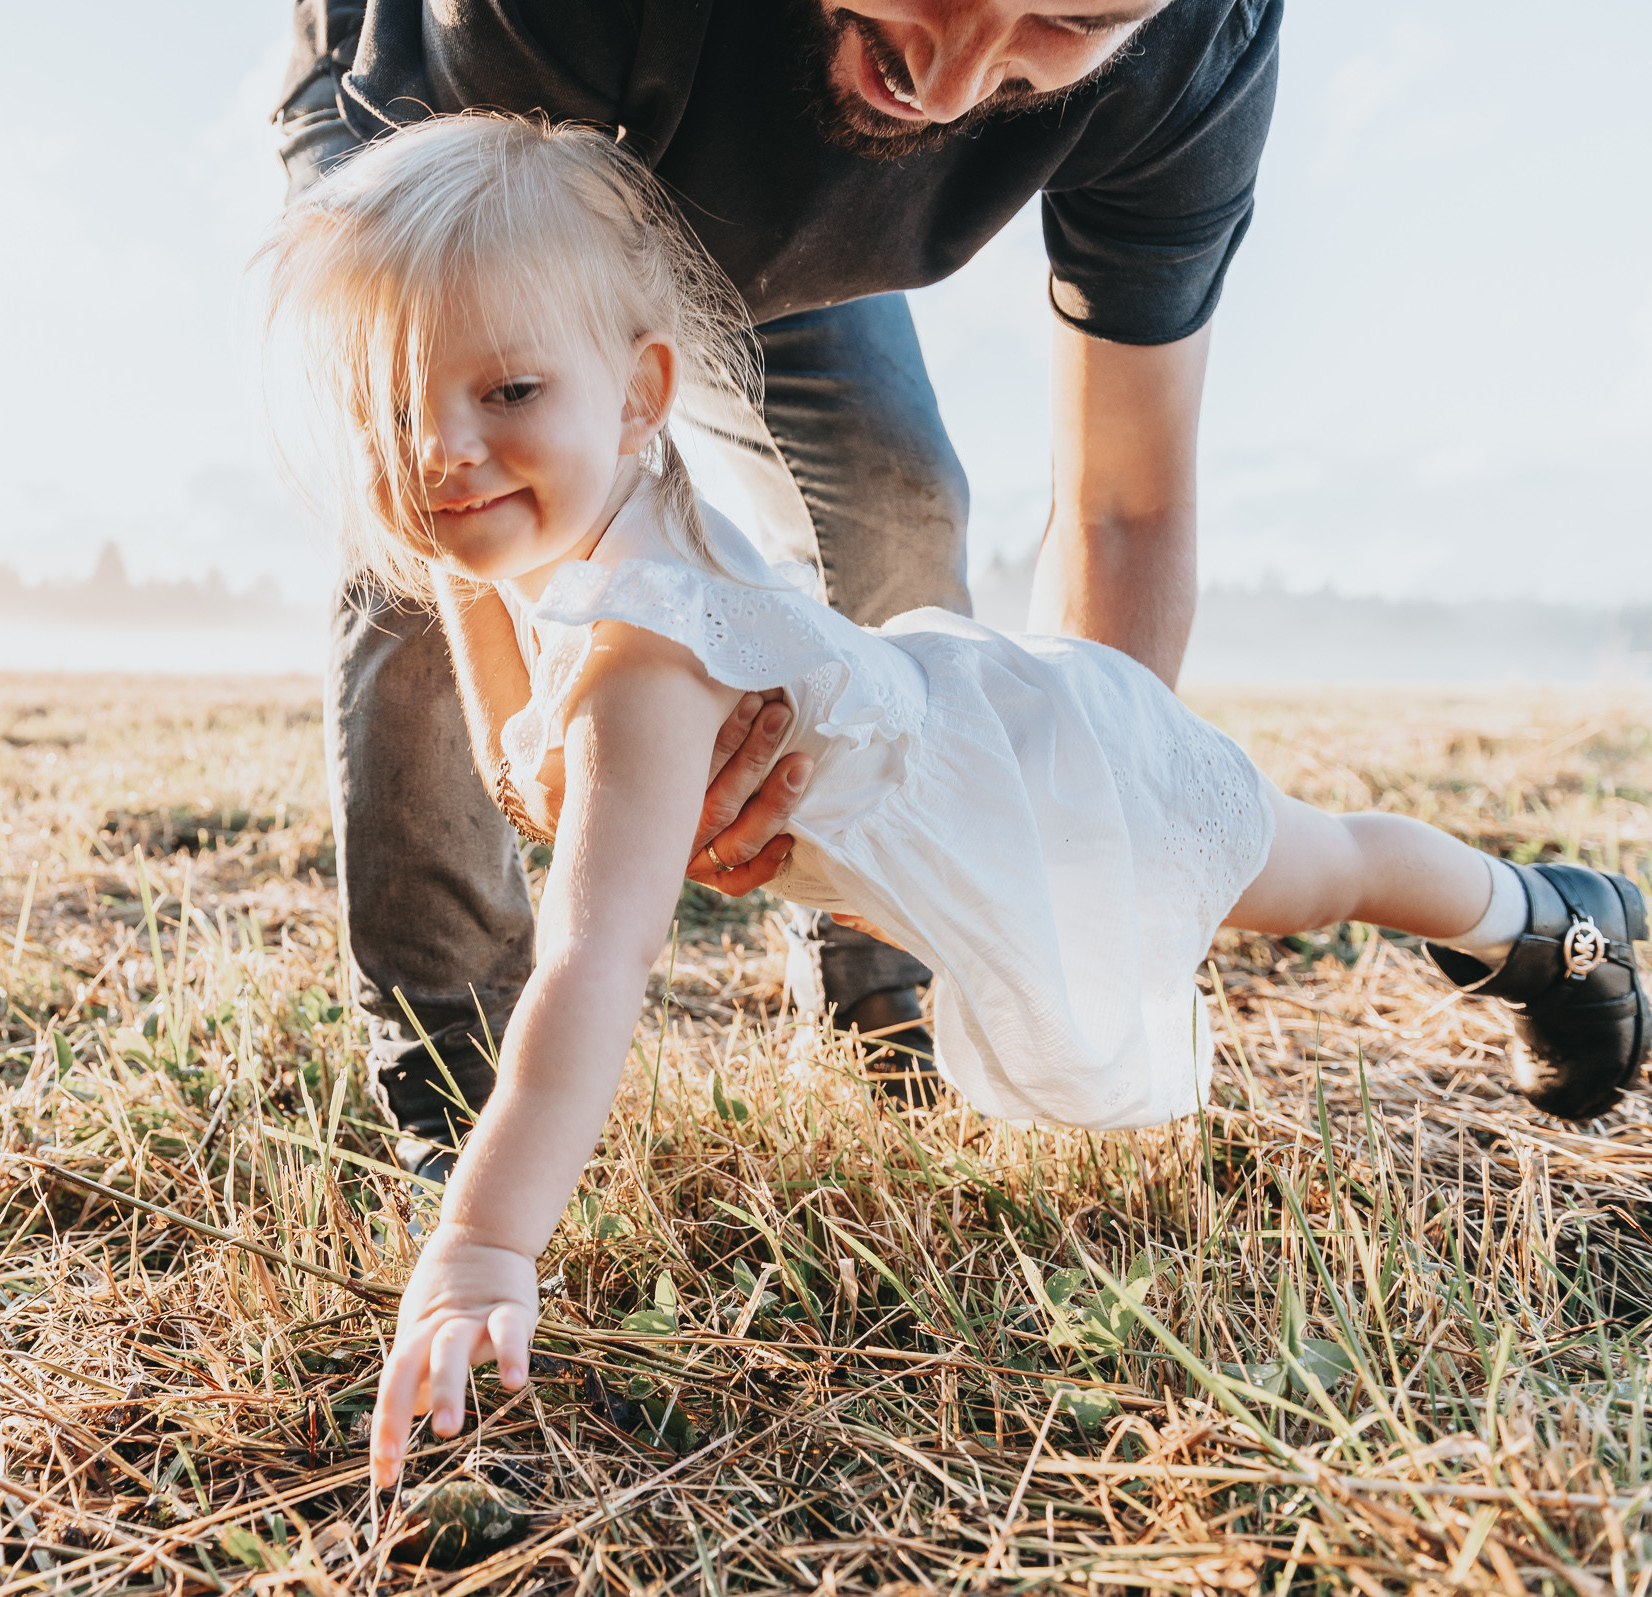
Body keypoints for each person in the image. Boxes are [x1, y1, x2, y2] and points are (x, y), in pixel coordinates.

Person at [255, 113, 1651, 1488]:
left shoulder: (642, 653)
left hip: (1049, 777)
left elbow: (591, 962)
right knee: (1316, 873)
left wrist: (486, 1246)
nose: (441, 449)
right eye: (393, 409)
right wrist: (458, 557)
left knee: (1320, 876)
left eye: (505, 394)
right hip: (967, 754)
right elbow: (524, 752)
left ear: (640, 393)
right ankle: (1545, 920)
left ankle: (1562, 924)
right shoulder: (585, 533)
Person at [276, 0, 1285, 1173]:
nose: (951, 85)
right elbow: (455, 492)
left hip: (787, 180)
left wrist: (1064, 849)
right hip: (455, 146)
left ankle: (879, 994)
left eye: (1067, 18)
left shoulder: (1197, 48)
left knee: (896, 485)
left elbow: (1128, 506)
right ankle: (456, 1080)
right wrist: (538, 742)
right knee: (444, 477)